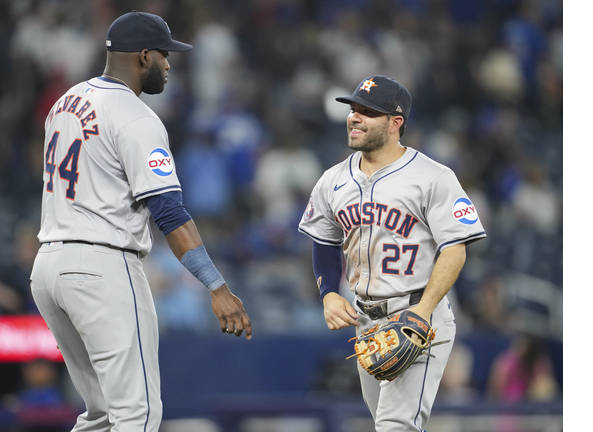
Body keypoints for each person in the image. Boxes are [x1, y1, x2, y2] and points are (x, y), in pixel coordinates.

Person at [30, 11, 252, 432]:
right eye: (164, 55)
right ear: (144, 56)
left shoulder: (65, 102)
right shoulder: (136, 117)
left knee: (100, 416)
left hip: (49, 267)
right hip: (102, 268)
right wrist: (218, 287)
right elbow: (168, 211)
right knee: (138, 413)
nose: (169, 64)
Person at [298, 75, 486, 431]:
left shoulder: (433, 177)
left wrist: (423, 311)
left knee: (396, 426)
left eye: (367, 112)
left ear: (395, 122)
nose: (354, 117)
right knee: (389, 425)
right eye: (353, 109)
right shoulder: (333, 179)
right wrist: (328, 295)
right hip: (367, 322)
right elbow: (324, 239)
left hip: (418, 316)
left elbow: (455, 250)